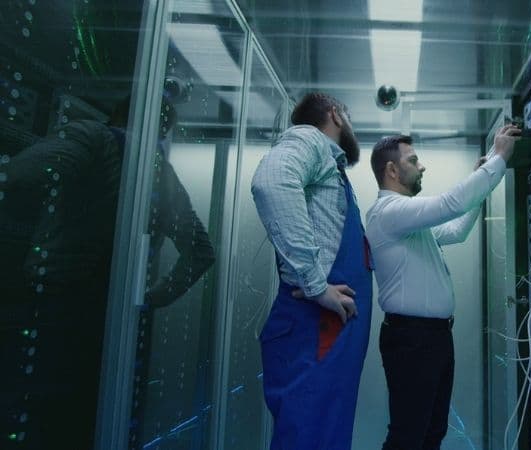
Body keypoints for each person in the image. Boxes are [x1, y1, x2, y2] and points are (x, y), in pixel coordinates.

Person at [0, 92, 214, 448]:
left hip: (53, 305)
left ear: (114, 112)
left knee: (35, 416)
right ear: (164, 130)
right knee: (94, 421)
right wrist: (150, 298)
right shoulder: (161, 171)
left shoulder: (91, 137)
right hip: (120, 320)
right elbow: (201, 252)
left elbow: (19, 177)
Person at [365, 125, 520, 450]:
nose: (422, 167)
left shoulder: (409, 224)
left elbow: (457, 228)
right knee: (408, 436)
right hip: (412, 340)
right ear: (391, 170)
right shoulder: (389, 213)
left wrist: (488, 170)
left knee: (431, 434)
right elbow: (451, 203)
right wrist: (498, 160)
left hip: (430, 339)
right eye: (414, 160)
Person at [251, 92, 373, 450]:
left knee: (323, 433)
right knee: (309, 436)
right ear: (335, 115)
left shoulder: (332, 172)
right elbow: (271, 181)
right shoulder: (311, 140)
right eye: (348, 117)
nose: (351, 127)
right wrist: (317, 286)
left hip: (328, 332)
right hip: (314, 327)